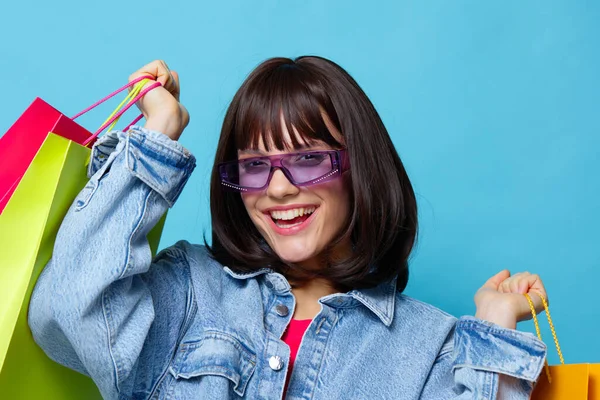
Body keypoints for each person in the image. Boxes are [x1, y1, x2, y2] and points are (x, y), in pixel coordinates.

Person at [28, 57, 548, 400]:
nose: (277, 189)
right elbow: (69, 313)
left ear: (359, 168)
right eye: (255, 165)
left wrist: (495, 325)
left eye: (307, 159)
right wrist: (157, 136)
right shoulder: (190, 289)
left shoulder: (431, 346)